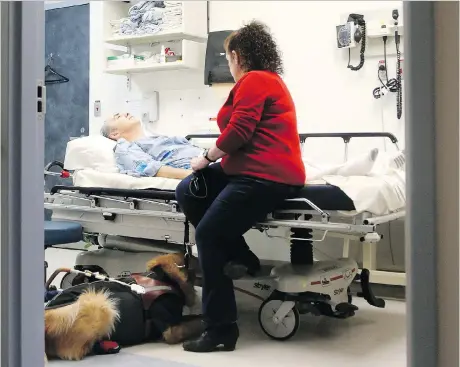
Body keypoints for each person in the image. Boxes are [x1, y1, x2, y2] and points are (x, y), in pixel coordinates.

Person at [175, 21, 306, 353]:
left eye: (227, 57)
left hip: (264, 176)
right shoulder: (268, 80)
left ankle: (221, 329)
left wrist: (206, 156)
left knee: (207, 235)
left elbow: (238, 133)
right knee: (189, 189)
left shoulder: (255, 80)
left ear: (235, 55)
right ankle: (243, 256)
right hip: (251, 170)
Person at [100, 112, 203, 180]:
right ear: (114, 134)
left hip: (207, 160)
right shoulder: (125, 148)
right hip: (201, 169)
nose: (126, 113)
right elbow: (151, 169)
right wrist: (198, 176)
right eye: (118, 117)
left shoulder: (155, 139)